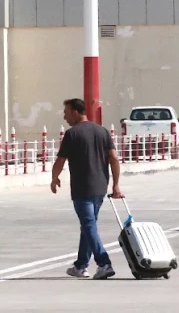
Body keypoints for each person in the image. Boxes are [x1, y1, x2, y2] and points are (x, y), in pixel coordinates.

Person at [51, 98, 121, 281]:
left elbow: (60, 160)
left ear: (75, 112)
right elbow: (114, 158)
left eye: (66, 112)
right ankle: (80, 265)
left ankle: (104, 263)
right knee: (88, 225)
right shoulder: (102, 131)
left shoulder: (72, 134)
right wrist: (116, 185)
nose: (64, 116)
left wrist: (54, 178)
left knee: (89, 225)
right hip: (100, 186)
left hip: (82, 187)